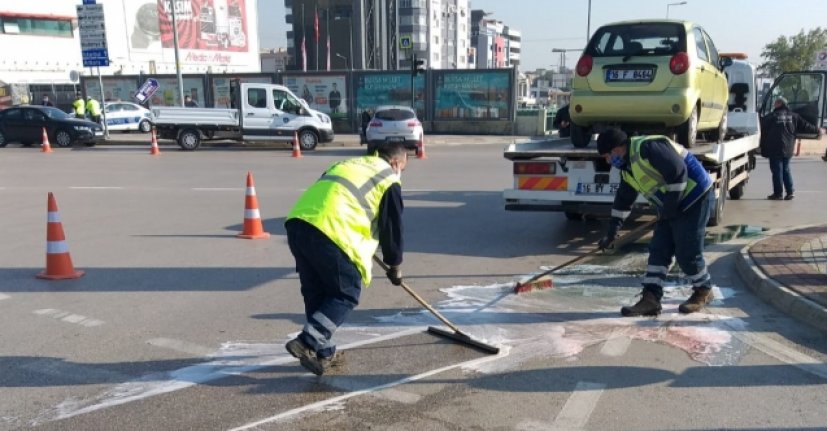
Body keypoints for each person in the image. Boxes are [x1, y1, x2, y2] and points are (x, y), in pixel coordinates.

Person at [596, 128, 715, 317]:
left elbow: (678, 172)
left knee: (687, 251)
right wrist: (612, 232)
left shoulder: (648, 147)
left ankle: (703, 290)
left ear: (617, 148)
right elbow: (623, 201)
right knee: (659, 249)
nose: (608, 161)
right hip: (671, 205)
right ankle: (650, 299)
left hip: (695, 198)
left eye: (608, 155)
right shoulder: (628, 170)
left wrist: (670, 207)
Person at [759, 96, 821, 200]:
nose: (774, 104)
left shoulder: (772, 116)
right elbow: (806, 126)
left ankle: (778, 194)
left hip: (775, 147)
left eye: (776, 103)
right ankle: (790, 192)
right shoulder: (794, 116)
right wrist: (818, 130)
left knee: (777, 170)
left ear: (780, 104)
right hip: (788, 148)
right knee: (786, 169)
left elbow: (761, 125)